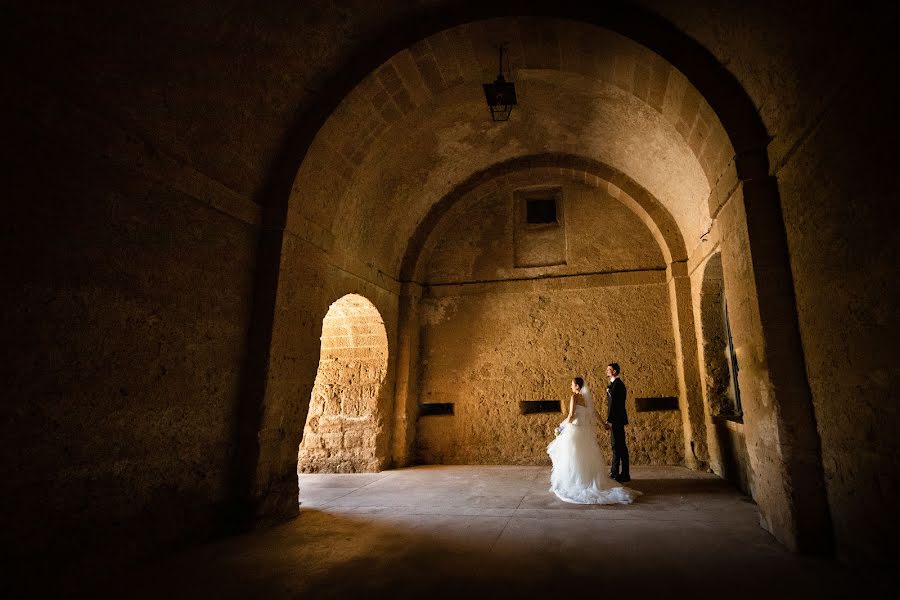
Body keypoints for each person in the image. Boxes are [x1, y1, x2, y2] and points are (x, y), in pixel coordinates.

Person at [547, 376, 639, 504]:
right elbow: (594, 412)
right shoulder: (586, 398)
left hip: (575, 430)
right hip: (585, 432)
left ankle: (577, 481)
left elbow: (571, 415)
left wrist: (561, 427)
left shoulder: (574, 397)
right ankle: (588, 479)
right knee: (585, 457)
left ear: (577, 386)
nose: (571, 386)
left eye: (572, 384)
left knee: (573, 457)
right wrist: (603, 424)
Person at [604, 363, 630, 482]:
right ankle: (624, 473)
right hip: (617, 419)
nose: (606, 371)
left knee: (617, 446)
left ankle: (616, 473)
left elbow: (615, 406)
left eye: (609, 369)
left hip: (616, 420)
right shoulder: (614, 385)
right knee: (620, 447)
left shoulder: (618, 385)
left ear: (614, 371)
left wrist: (609, 421)